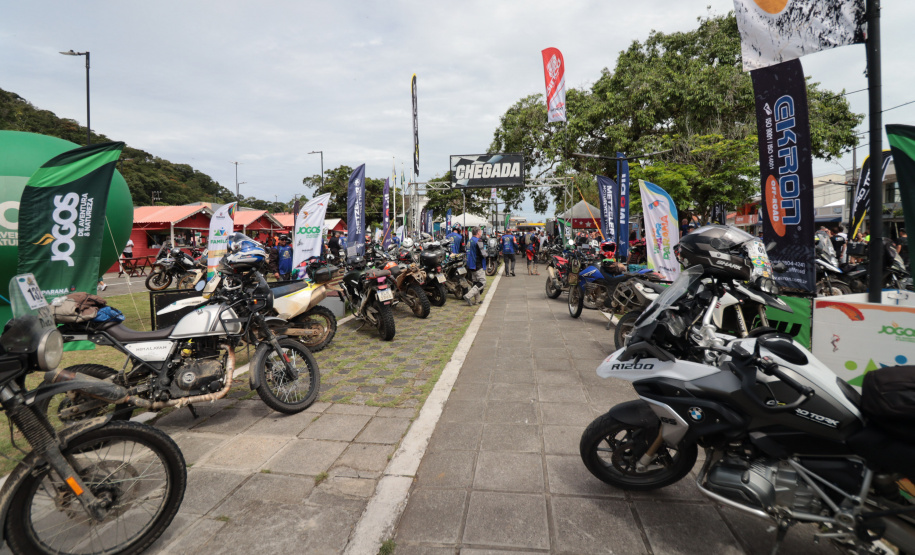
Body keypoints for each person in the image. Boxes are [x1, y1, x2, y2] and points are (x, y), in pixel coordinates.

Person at [464, 227, 486, 305]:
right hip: (478, 264)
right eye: (480, 232)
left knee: (475, 282)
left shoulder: (469, 241)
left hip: (471, 264)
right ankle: (468, 295)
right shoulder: (479, 241)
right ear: (478, 233)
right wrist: (488, 254)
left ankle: (477, 300)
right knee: (482, 282)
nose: (481, 233)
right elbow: (483, 253)